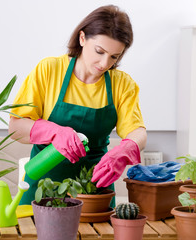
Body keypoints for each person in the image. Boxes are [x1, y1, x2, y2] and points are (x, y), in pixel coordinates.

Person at [9, 5, 147, 205]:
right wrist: (55, 133)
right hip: (43, 186)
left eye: (114, 57)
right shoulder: (49, 70)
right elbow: (16, 128)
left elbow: (138, 132)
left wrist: (124, 151)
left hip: (95, 187)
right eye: (99, 51)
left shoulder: (122, 84)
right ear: (82, 38)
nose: (104, 63)